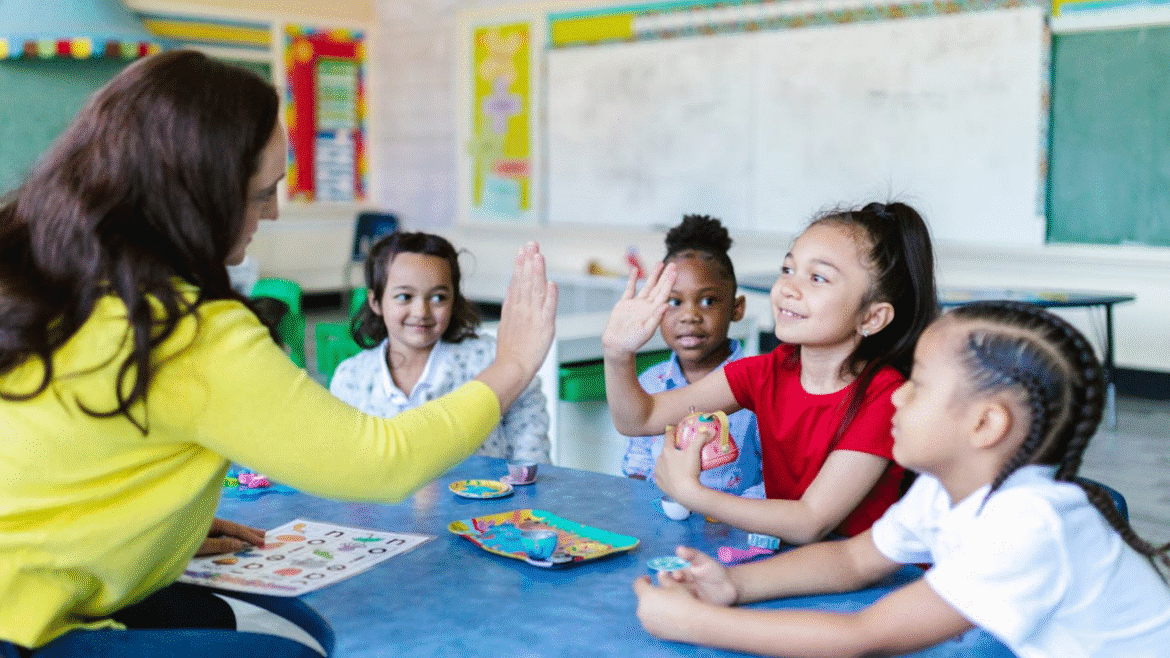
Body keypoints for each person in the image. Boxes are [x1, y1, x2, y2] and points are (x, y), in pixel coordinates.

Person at [0, 50, 557, 657]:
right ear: (195, 198)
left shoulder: (44, 271)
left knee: (204, 614)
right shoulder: (184, 332)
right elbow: (383, 463)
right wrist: (515, 362)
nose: (272, 212)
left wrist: (153, 522)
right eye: (260, 193)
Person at [633, 301, 1170, 657]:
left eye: (917, 385)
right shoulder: (944, 491)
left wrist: (692, 624)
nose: (896, 395)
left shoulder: (1028, 523)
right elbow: (852, 561)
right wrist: (735, 585)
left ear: (986, 424)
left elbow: (863, 635)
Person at [604, 202, 938, 543]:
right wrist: (618, 353)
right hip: (788, 562)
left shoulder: (886, 397)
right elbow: (639, 419)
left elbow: (811, 521)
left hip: (862, 584)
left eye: (818, 277)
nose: (788, 288)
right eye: (788, 269)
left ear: (871, 317)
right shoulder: (767, 371)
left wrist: (694, 495)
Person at [330, 231, 550, 463]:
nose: (421, 312)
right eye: (404, 296)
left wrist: (527, 482)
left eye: (438, 298)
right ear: (376, 302)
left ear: (454, 300)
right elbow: (343, 461)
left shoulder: (490, 359)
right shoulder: (352, 378)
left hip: (485, 497)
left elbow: (528, 421)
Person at [620, 214, 762, 497]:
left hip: (733, 531)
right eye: (674, 302)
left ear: (737, 308)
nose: (689, 316)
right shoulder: (650, 383)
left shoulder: (760, 386)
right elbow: (637, 471)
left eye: (708, 301)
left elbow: (775, 483)